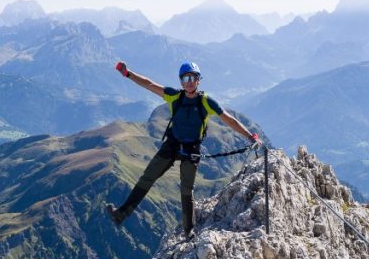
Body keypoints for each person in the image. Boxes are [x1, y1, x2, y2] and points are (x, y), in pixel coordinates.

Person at [107, 60, 260, 236]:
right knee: (147, 178)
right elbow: (149, 84)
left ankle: (189, 231)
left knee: (186, 190)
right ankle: (121, 214)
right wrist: (127, 73)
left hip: (191, 149)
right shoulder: (174, 96)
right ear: (181, 81)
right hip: (171, 145)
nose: (189, 82)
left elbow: (229, 120)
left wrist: (250, 136)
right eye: (186, 78)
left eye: (192, 78)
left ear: (198, 80)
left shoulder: (206, 102)